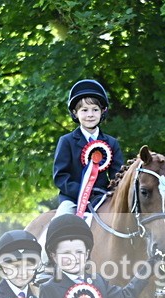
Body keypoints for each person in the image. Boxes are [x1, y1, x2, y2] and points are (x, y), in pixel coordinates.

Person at [53, 79, 124, 217]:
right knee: (60, 221)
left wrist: (109, 192)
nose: (90, 114)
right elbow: (61, 177)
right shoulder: (66, 141)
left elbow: (118, 176)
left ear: (103, 111)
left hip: (103, 199)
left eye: (95, 110)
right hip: (72, 199)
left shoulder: (112, 143)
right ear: (75, 112)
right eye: (84, 110)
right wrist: (84, 192)